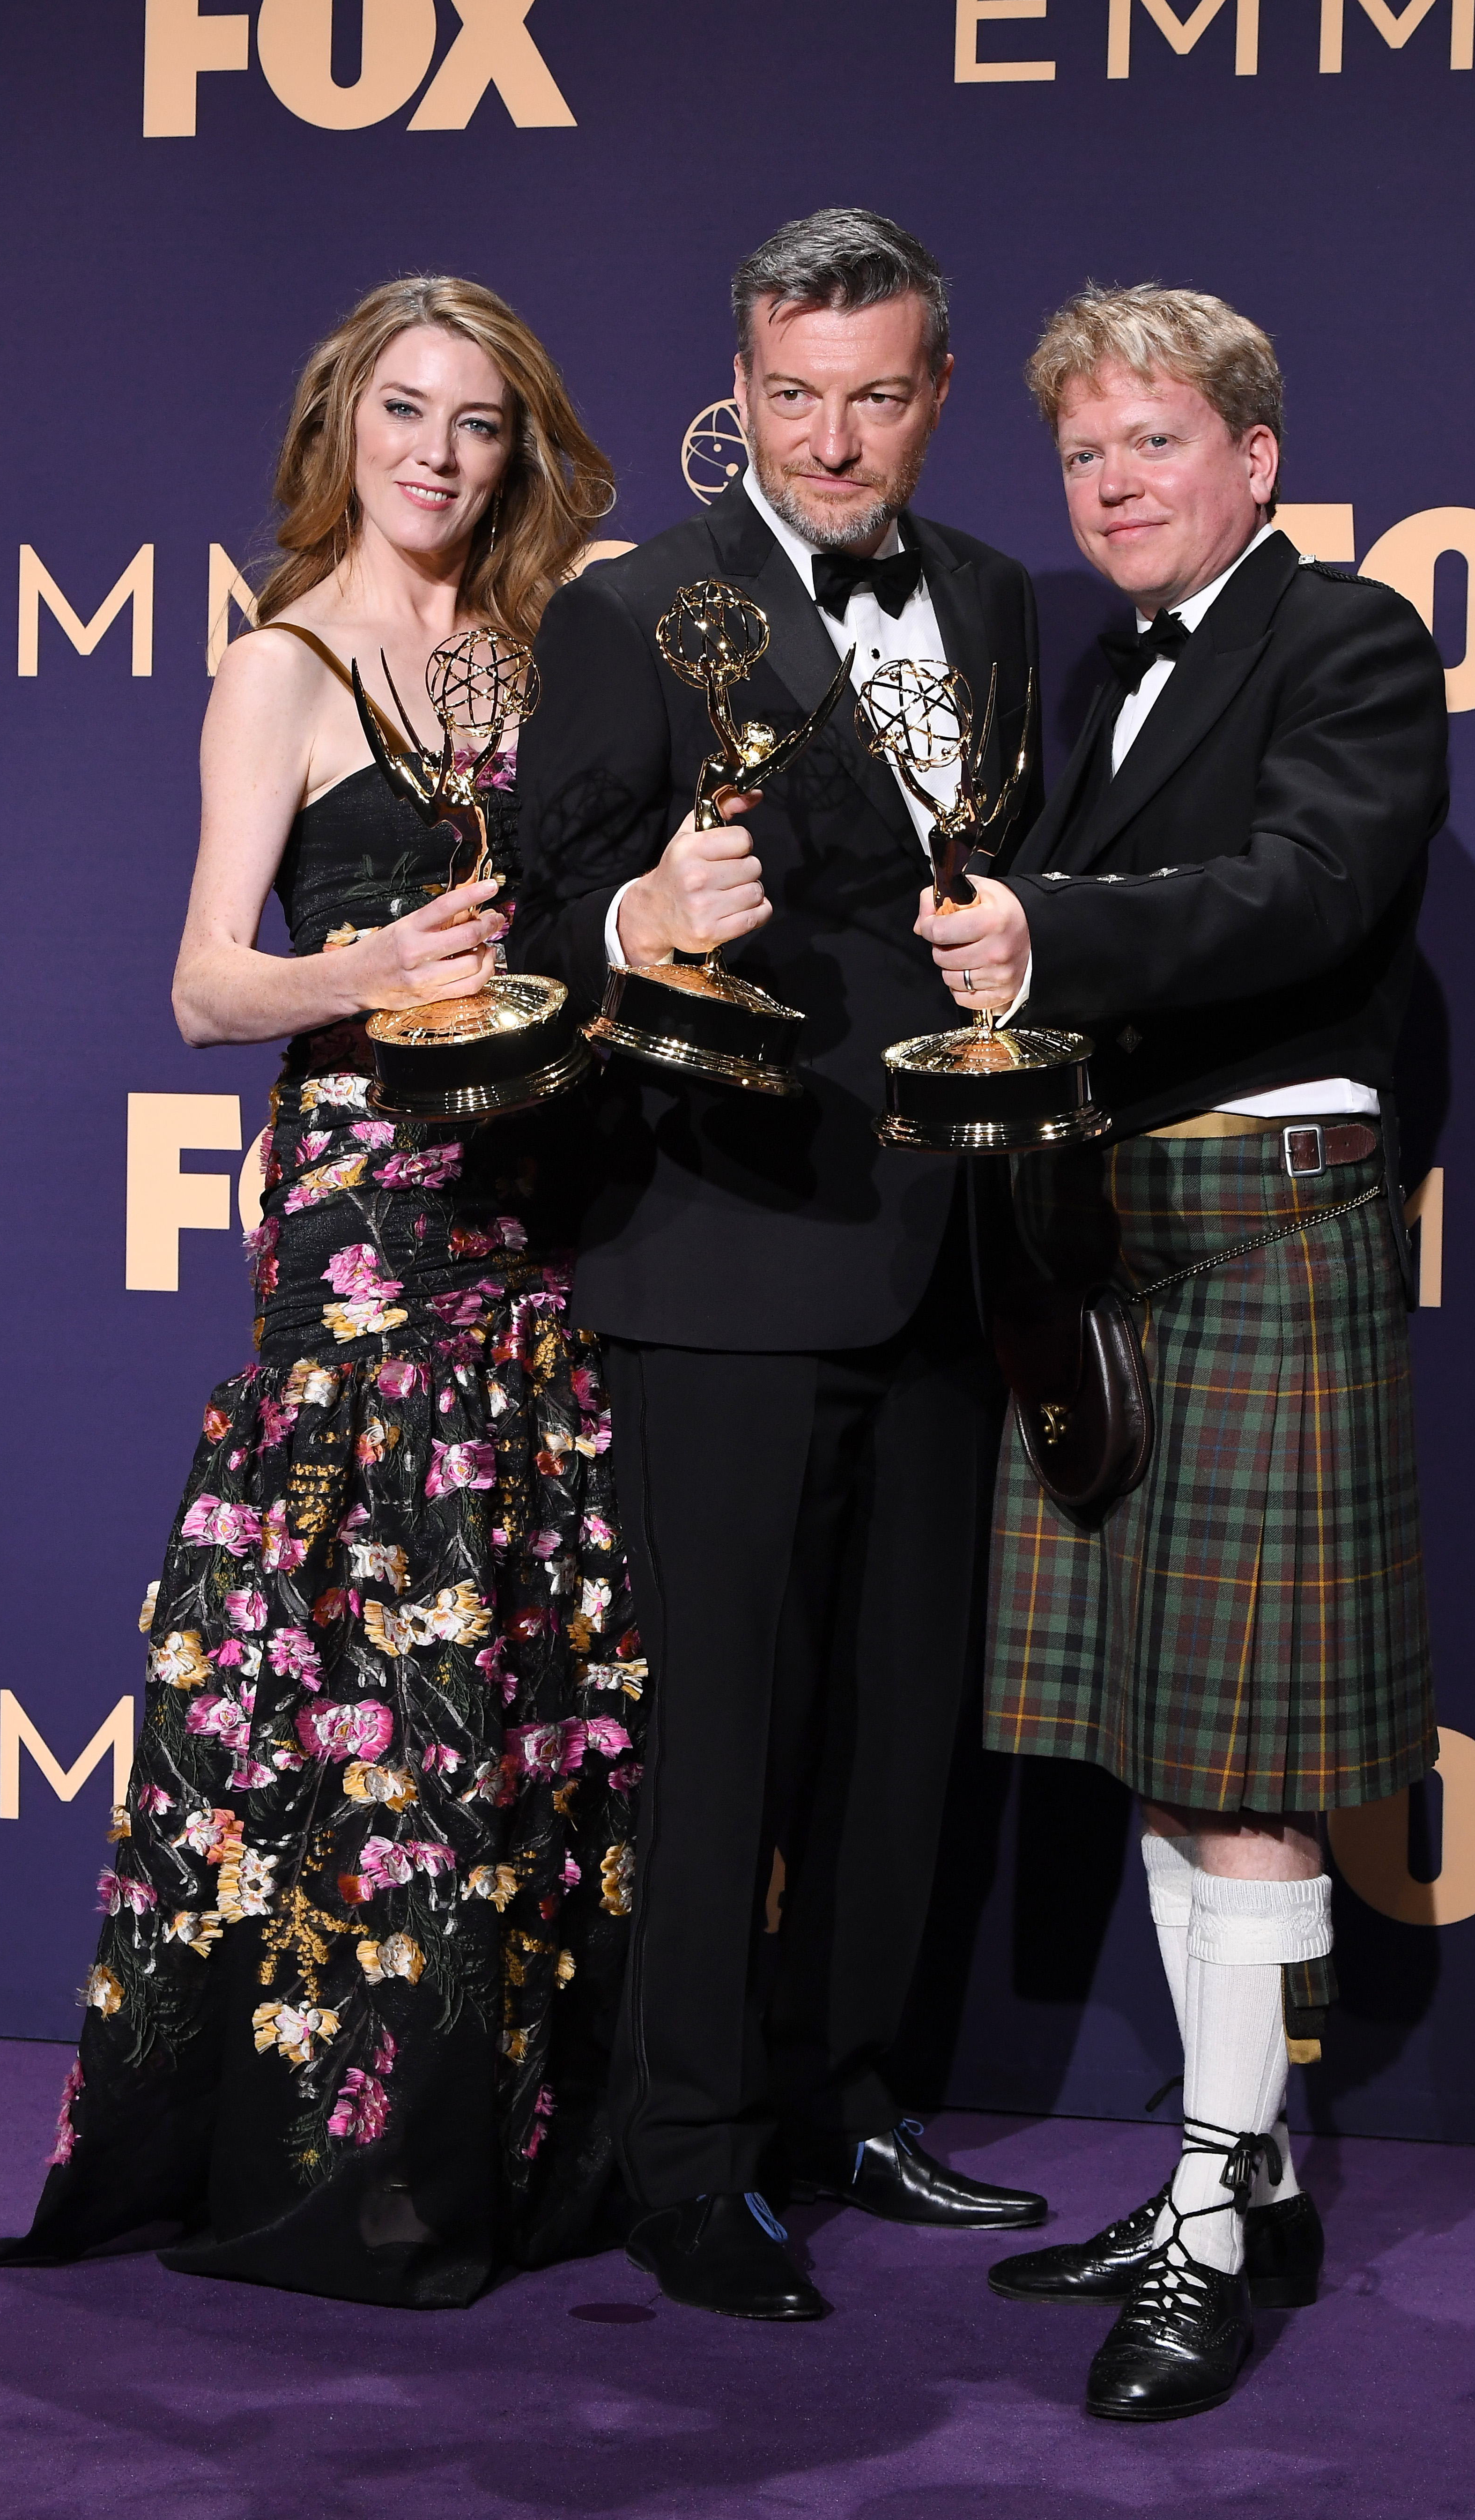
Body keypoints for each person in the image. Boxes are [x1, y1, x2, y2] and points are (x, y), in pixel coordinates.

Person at [0, 276, 640, 2307]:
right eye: (407, 415)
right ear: (342, 430)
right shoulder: (282, 668)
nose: (439, 456)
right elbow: (200, 981)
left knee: (529, 1645)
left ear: (519, 449)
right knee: (371, 1648)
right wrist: (370, 971)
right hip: (372, 1221)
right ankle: (343, 2151)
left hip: (553, 1205)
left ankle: (521, 2126)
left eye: (479, 425)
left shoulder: (550, 655)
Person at [509, 207, 1047, 2321]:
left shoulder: (999, 597)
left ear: (932, 395)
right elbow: (540, 922)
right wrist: (643, 923)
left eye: (877, 394)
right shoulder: (635, 610)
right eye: (793, 395)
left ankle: (845, 2098)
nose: (833, 437)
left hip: (943, 1243)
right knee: (724, 1731)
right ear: (738, 394)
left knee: (900, 1724)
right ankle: (686, 2156)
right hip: (723, 1251)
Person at [921, 286, 1444, 2418]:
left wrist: (1055, 931)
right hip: (1103, 1229)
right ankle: (1248, 2175)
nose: (1114, 483)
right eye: (1082, 456)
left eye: (1152, 442)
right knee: (1168, 1736)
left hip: (1261, 1223)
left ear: (1257, 459)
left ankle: (1216, 2219)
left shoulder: (1349, 641)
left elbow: (1312, 885)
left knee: (1240, 1769)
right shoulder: (1090, 680)